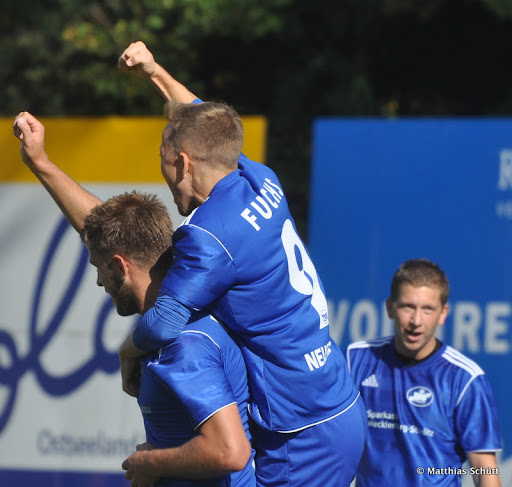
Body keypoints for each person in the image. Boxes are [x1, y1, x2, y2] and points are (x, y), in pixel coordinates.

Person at [114, 41, 367, 487]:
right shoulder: (258, 177)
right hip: (336, 403)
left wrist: (126, 351)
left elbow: (165, 322)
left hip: (299, 430)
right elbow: (199, 116)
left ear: (184, 163)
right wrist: (154, 72)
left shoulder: (208, 236)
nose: (164, 174)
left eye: (164, 163)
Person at [13, 114, 255, 487]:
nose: (98, 282)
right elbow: (109, 233)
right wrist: (41, 164)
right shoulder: (180, 290)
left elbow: (230, 452)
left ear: (119, 266)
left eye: (99, 268)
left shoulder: (182, 344)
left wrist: (152, 463)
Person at [346, 258, 501, 487]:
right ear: (390, 308)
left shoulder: (466, 379)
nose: (416, 321)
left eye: (427, 309)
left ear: (443, 313)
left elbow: (483, 470)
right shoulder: (356, 359)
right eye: (407, 307)